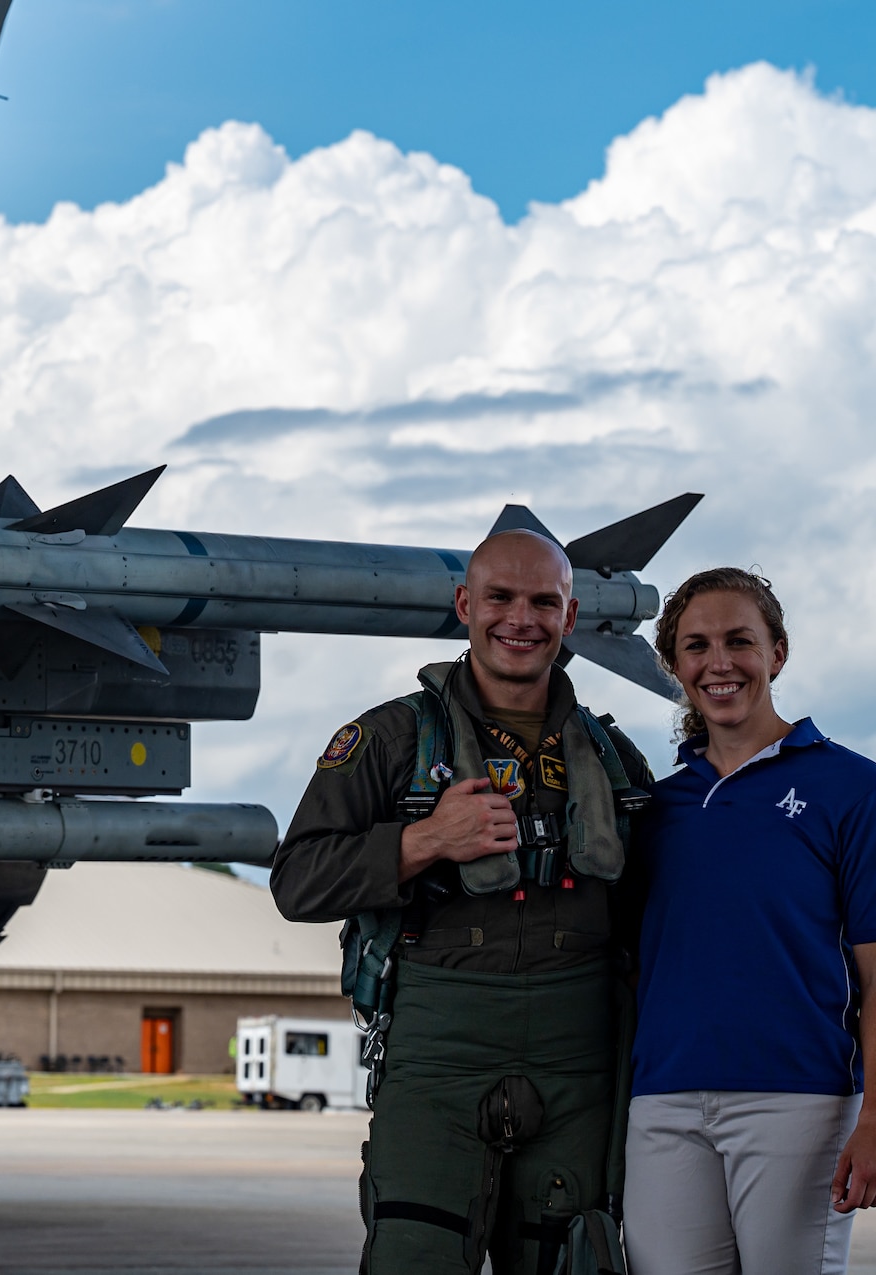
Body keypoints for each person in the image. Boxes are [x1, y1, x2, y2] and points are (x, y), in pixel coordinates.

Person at [271, 528, 654, 1275]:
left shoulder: (613, 759)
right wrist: (426, 841)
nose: (522, 618)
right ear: (464, 606)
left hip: (578, 1062)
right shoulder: (388, 741)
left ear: (569, 617)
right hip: (439, 1054)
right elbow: (298, 880)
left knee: (575, 1259)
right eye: (501, 598)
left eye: (545, 601)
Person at [622, 568, 876, 1275]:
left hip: (799, 1104)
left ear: (777, 652)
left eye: (739, 641)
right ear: (674, 665)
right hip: (662, 1103)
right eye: (696, 645)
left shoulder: (854, 788)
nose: (718, 663)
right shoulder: (653, 809)